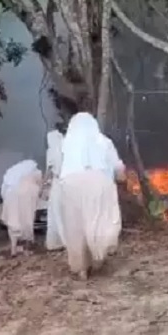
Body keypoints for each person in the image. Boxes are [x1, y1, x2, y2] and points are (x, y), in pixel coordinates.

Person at [57, 112, 126, 280]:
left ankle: (81, 268)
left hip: (69, 185)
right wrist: (120, 180)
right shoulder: (103, 141)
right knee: (99, 220)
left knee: (75, 226)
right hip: (98, 182)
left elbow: (58, 170)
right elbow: (119, 170)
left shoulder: (65, 144)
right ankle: (100, 253)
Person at [0, 159, 43, 256]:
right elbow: (40, 188)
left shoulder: (10, 173)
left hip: (10, 197)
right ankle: (26, 249)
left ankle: (13, 249)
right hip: (27, 197)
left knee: (13, 222)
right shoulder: (36, 172)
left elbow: (3, 190)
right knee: (27, 221)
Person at [45, 123, 66, 251]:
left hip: (57, 183)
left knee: (56, 212)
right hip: (67, 183)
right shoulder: (66, 149)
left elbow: (49, 171)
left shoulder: (51, 151)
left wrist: (43, 186)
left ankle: (61, 241)